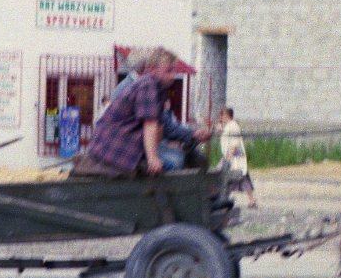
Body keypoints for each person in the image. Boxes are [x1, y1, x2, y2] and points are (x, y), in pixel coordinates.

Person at [71, 48, 208, 177]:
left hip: (125, 144)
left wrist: (193, 134)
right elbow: (150, 124)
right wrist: (152, 158)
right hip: (118, 146)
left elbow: (165, 126)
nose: (173, 75)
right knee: (174, 163)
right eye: (168, 71)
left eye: (174, 71)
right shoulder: (148, 85)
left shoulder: (155, 88)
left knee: (177, 157)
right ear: (153, 69)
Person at [217, 107, 257, 208]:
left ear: (226, 115)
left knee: (241, 178)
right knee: (227, 178)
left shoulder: (233, 126)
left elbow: (235, 143)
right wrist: (221, 131)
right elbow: (226, 139)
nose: (221, 118)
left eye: (222, 116)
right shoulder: (228, 126)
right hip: (230, 157)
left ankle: (252, 200)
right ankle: (223, 199)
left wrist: (229, 156)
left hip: (235, 158)